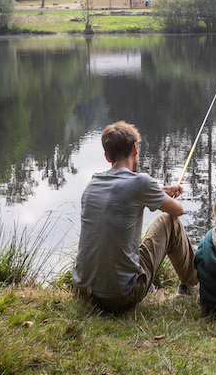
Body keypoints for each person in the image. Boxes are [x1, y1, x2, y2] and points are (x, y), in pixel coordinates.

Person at [72, 121, 199, 313]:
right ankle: (191, 286)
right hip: (120, 297)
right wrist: (161, 194)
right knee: (168, 221)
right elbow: (177, 210)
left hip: (84, 293)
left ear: (107, 156)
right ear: (135, 148)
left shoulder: (92, 185)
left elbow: (126, 192)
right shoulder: (142, 183)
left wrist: (160, 191)